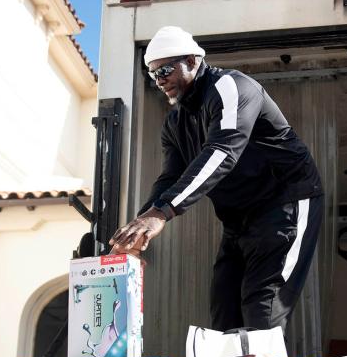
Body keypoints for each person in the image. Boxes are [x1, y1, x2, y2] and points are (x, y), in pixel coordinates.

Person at [110, 26, 323, 332]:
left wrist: (162, 212)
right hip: (238, 221)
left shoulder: (229, 87)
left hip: (285, 203)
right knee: (224, 312)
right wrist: (141, 224)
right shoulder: (175, 122)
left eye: (166, 70)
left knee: (262, 308)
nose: (160, 80)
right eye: (153, 74)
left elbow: (222, 152)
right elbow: (171, 177)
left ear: (194, 60)